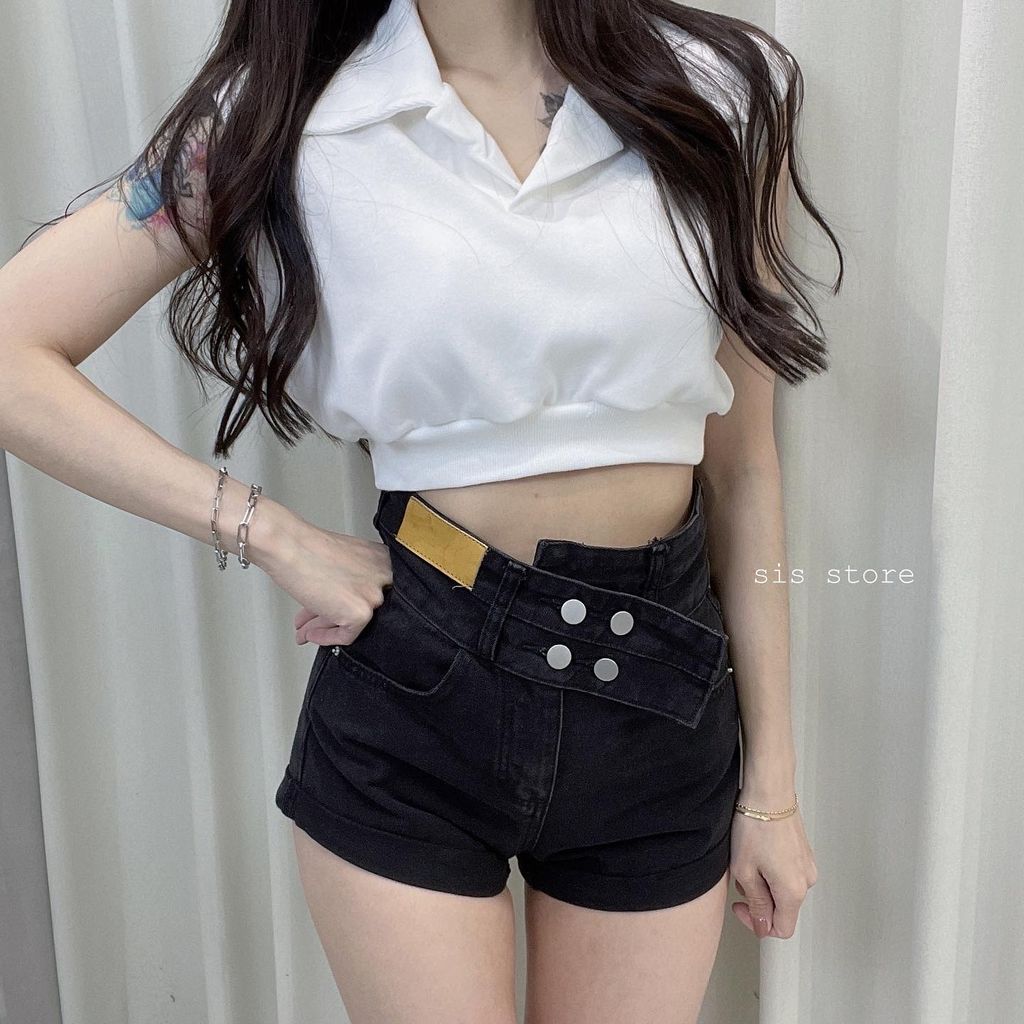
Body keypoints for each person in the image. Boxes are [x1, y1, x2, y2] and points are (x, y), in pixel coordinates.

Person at [0, 0, 840, 1020]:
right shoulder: (285, 111)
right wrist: (267, 531)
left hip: (657, 695)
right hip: (421, 680)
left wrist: (772, 788)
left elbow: (745, 466)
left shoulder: (718, 86)